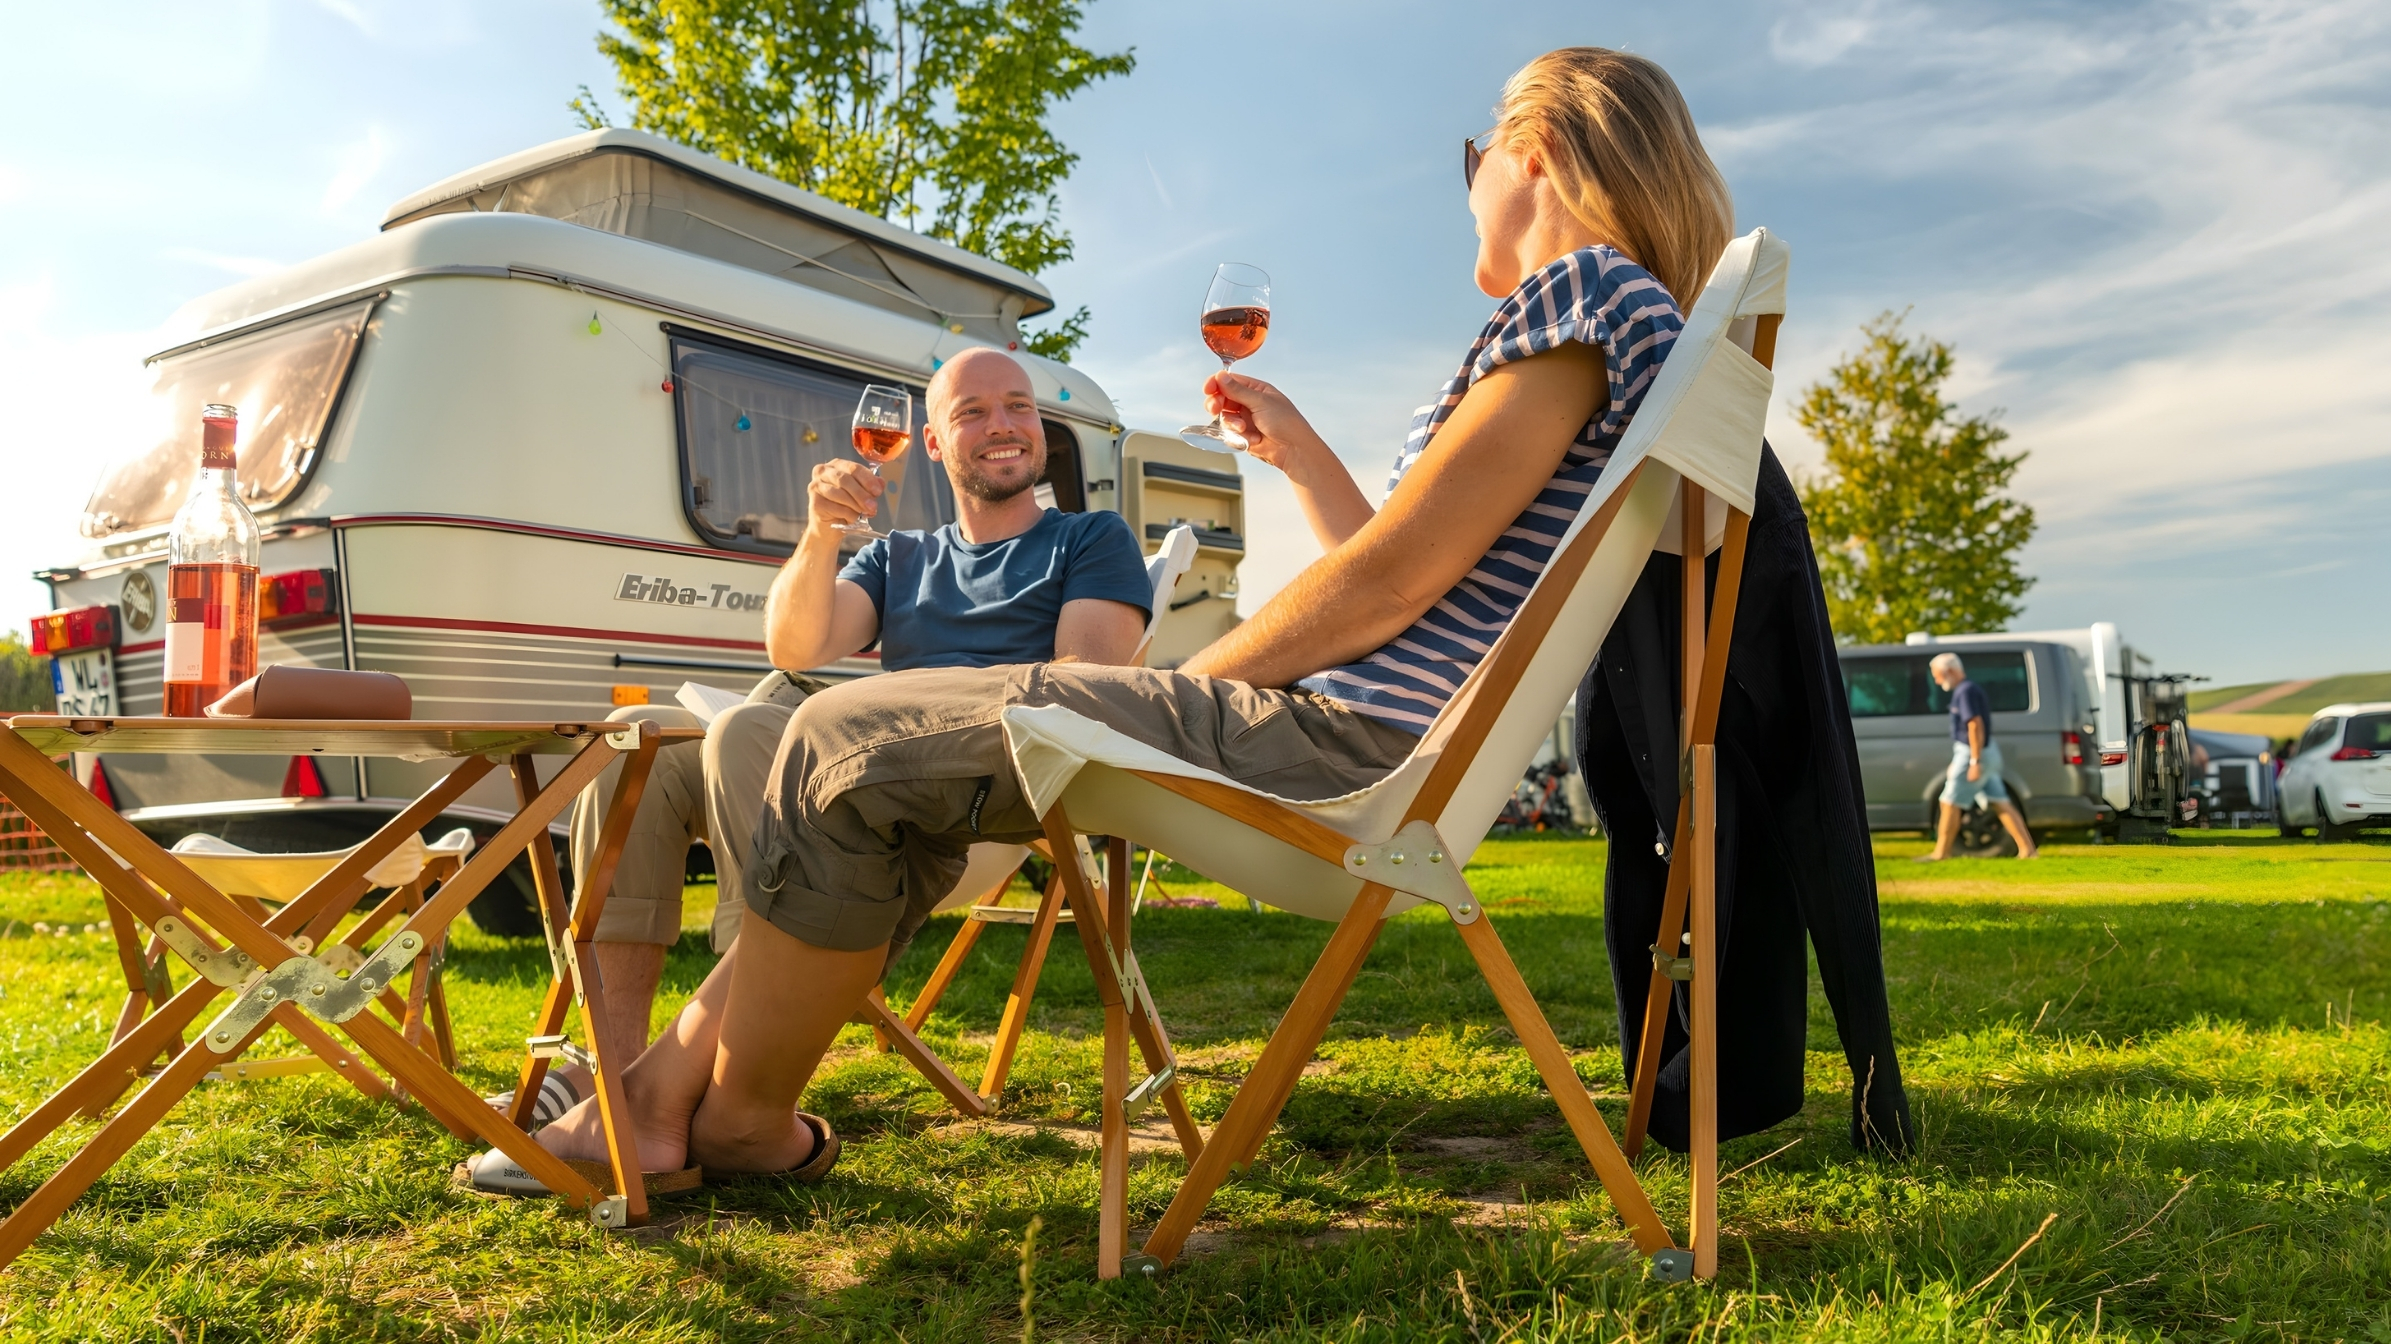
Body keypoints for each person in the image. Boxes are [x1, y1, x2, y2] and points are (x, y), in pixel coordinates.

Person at [501, 45, 1735, 1184]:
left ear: (1536, 154)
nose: (1470, 192)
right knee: (835, 749)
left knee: (832, 740)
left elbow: (1392, 585)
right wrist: (1303, 454)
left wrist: (1188, 688)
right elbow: (1420, 573)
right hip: (1375, 740)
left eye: (1475, 162)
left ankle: (697, 1111)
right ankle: (697, 1109)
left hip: (1348, 749)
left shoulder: (1583, 293)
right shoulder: (1624, 320)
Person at [483, 347, 1154, 1129]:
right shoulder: (900, 555)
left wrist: (898, 715)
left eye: (1018, 406)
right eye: (972, 413)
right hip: (861, 786)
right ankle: (608, 1059)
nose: (1002, 425)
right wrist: (821, 531)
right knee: (637, 743)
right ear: (932, 443)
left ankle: (730, 1059)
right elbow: (794, 646)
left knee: (748, 729)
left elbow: (1079, 685)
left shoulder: (1089, 537)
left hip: (976, 811)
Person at [1920, 651, 2038, 860]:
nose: (1937, 681)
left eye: (1937, 675)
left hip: (1974, 752)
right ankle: (2028, 849)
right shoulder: (1968, 689)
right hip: (1985, 752)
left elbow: (1974, 725)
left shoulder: (1965, 691)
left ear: (1949, 671)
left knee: (1949, 801)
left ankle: (1941, 853)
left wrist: (1974, 761)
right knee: (2000, 802)